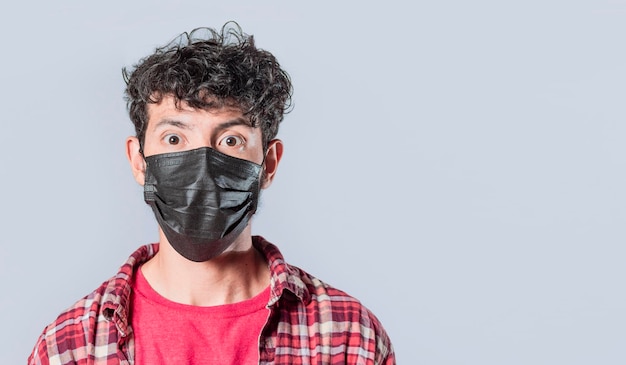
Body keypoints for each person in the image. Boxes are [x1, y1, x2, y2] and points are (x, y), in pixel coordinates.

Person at [28, 22, 395, 365]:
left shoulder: (347, 338)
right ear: (139, 162)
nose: (203, 164)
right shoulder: (71, 348)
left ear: (268, 164)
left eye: (231, 140)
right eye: (174, 138)